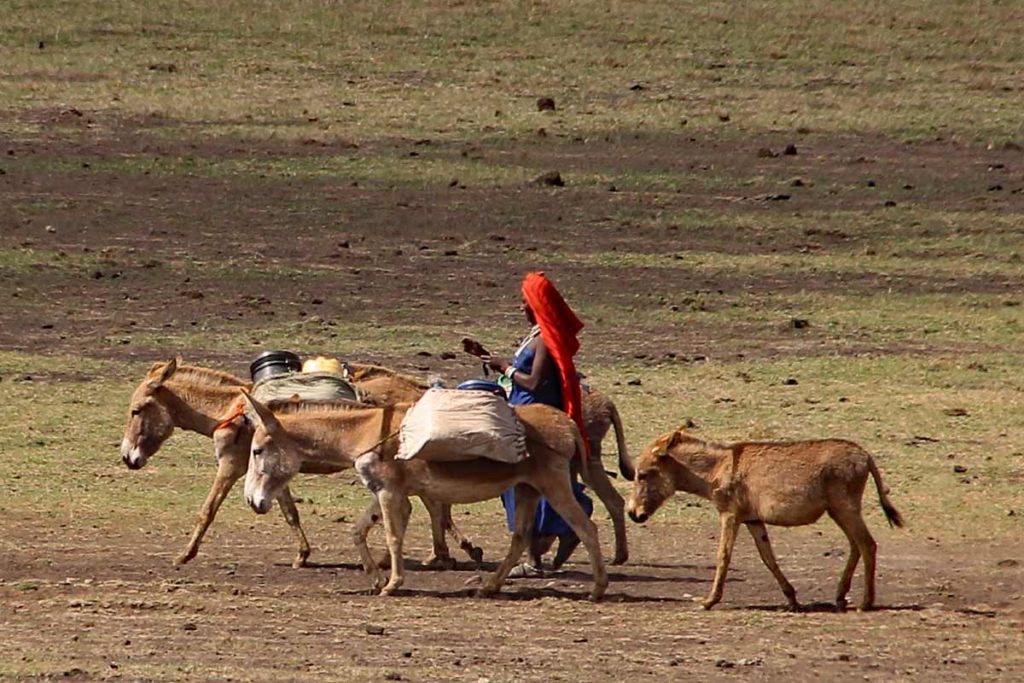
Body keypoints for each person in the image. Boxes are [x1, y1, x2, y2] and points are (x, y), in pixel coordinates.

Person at [467, 271, 593, 576]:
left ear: (536, 305)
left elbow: (533, 382)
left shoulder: (545, 341)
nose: (520, 307)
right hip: (521, 414)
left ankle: (556, 537)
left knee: (531, 480)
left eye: (525, 302)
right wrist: (491, 360)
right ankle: (536, 552)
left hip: (535, 421)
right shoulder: (537, 337)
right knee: (521, 481)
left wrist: (505, 368)